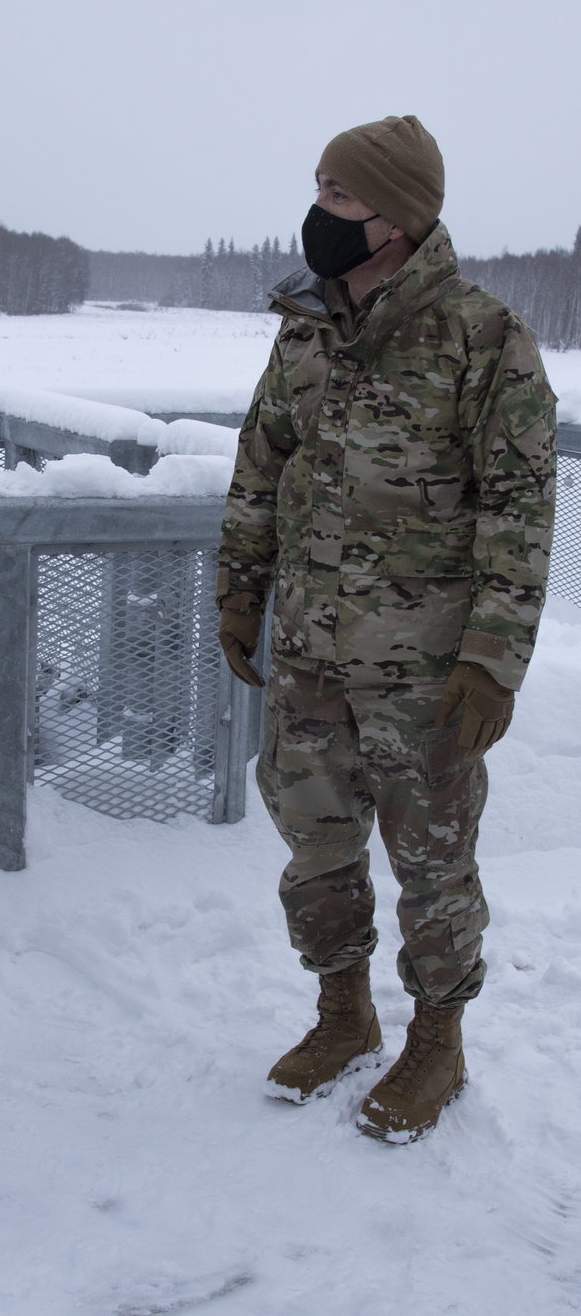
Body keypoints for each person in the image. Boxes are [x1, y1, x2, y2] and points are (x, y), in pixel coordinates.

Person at [217, 116, 556, 1142]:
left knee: (431, 865)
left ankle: (436, 1043)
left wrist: (493, 662)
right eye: (316, 187)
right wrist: (240, 585)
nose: (317, 211)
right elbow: (259, 465)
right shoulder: (306, 328)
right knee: (313, 848)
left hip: (423, 673)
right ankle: (341, 1011)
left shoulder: (481, 339)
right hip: (311, 658)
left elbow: (518, 508)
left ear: (397, 218)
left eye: (338, 195)